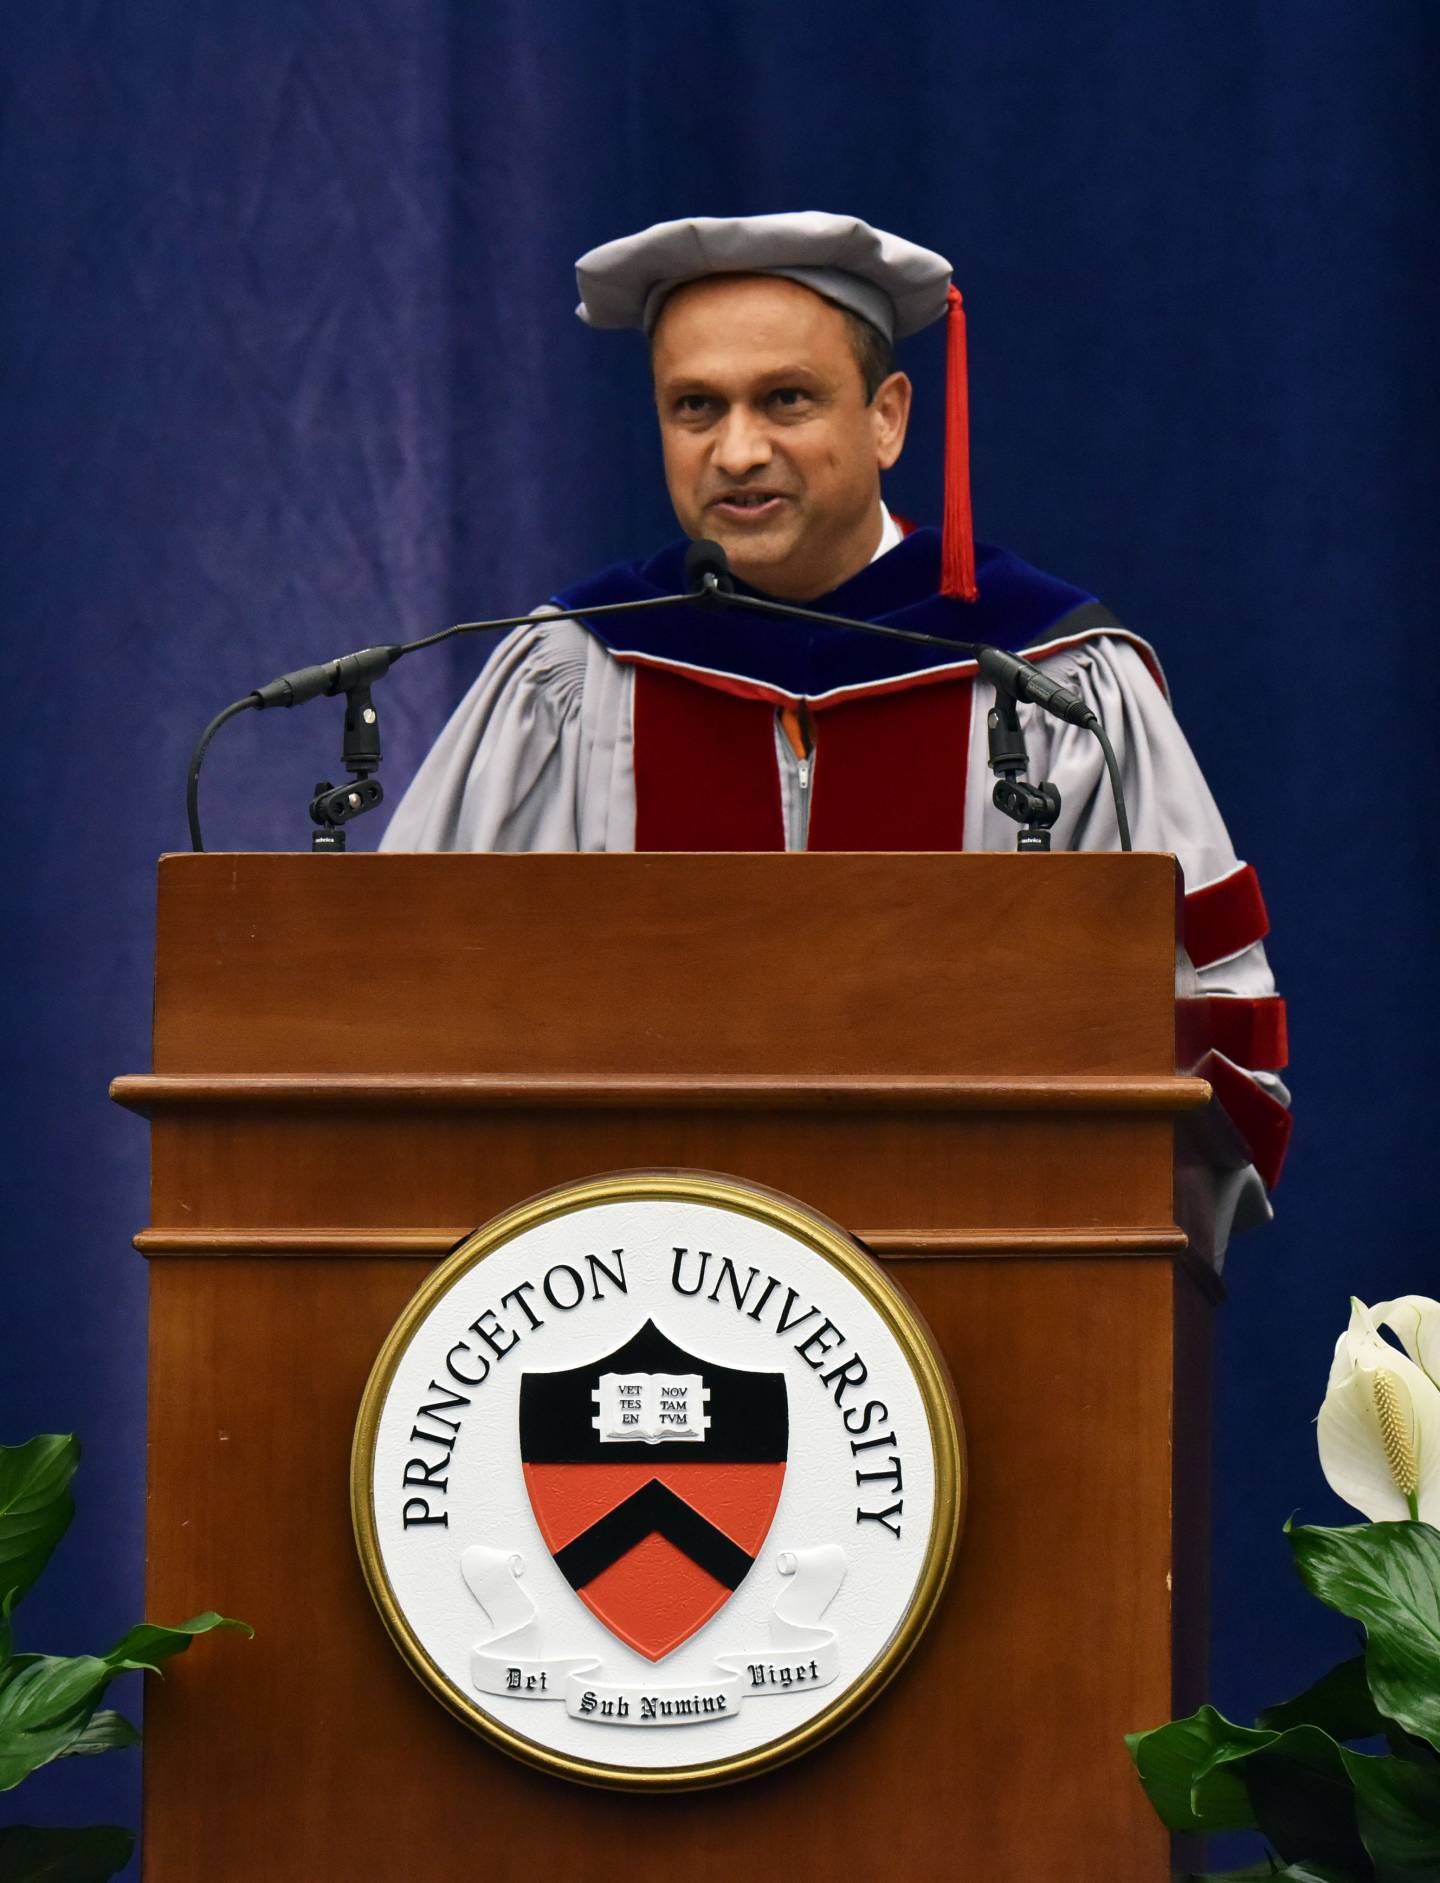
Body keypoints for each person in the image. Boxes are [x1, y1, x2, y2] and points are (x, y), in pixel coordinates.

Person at [381, 212, 1289, 1259]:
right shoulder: (577, 669)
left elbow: (1208, 1032)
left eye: (787, 399)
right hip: (626, 1287)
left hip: (984, 1287)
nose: (737, 451)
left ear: (888, 418)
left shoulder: (1050, 672)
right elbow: (410, 1004)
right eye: (695, 406)